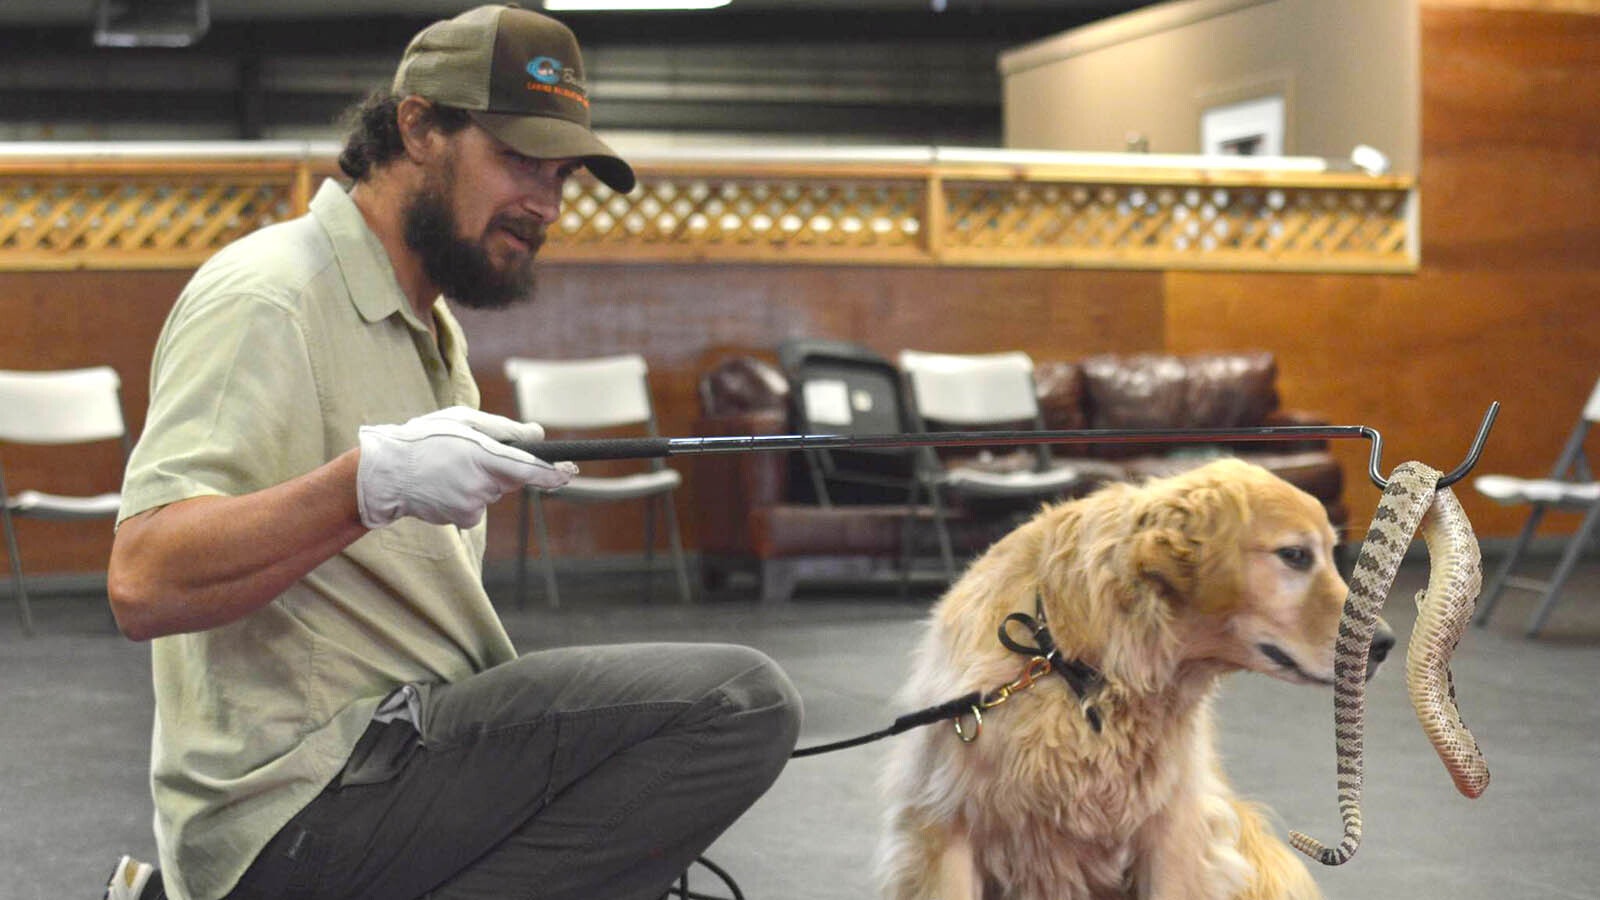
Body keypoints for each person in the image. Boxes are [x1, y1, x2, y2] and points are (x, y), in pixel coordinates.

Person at [101, 6, 802, 899]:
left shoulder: (432, 331)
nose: (545, 204)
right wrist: (366, 487)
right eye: (517, 160)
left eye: (561, 176)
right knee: (738, 704)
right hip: (300, 805)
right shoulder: (270, 297)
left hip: (396, 766)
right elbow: (143, 580)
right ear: (418, 126)